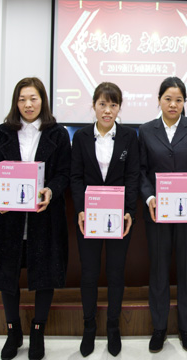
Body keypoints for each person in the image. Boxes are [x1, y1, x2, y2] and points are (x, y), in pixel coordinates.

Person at [0, 77, 71, 360]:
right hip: (9, 219)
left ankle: (37, 331)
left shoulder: (58, 134)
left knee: (44, 274)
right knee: (7, 275)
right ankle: (13, 333)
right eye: (22, 99)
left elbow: (64, 174)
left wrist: (50, 190)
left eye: (33, 98)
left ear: (42, 100)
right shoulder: (2, 133)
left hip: (44, 217)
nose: (28, 104)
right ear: (15, 102)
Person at [138, 76, 187, 353]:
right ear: (159, 100)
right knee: (158, 269)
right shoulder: (146, 130)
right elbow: (141, 171)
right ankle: (159, 328)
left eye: (178, 100)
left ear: (184, 102)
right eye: (168, 99)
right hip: (157, 213)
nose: (173, 104)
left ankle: (186, 328)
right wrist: (150, 197)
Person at [70, 82, 140, 357]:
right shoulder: (81, 137)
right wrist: (80, 210)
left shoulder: (129, 137)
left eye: (113, 105)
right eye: (102, 104)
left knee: (115, 272)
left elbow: (132, 177)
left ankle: (113, 327)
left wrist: (130, 211)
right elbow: (76, 177)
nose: (107, 110)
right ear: (94, 106)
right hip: (88, 218)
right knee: (89, 273)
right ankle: (89, 327)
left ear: (119, 107)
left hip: (118, 217)